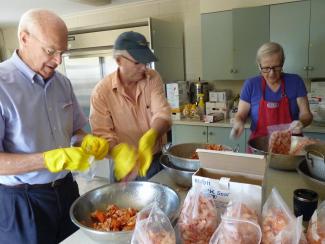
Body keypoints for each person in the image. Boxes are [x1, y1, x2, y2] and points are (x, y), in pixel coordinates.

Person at [0, 9, 108, 244]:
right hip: (23, 201)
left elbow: (75, 132)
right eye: (50, 51)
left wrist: (85, 141)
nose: (58, 61)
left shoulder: (63, 84)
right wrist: (48, 159)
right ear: (24, 38)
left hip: (67, 190)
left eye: (62, 53)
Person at [89, 31, 171, 181]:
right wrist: (120, 153)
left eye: (145, 62)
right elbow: (102, 135)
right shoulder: (101, 92)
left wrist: (152, 135)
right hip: (124, 167)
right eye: (137, 62)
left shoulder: (152, 78)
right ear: (119, 60)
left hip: (154, 160)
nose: (144, 68)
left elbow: (162, 114)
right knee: (125, 205)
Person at [230, 42, 313, 141]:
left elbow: (306, 114)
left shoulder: (295, 82)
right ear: (259, 66)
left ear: (282, 63)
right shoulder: (251, 84)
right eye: (266, 68)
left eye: (277, 67)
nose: (272, 73)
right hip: (259, 145)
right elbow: (241, 114)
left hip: (291, 146)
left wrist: (301, 123)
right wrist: (238, 122)